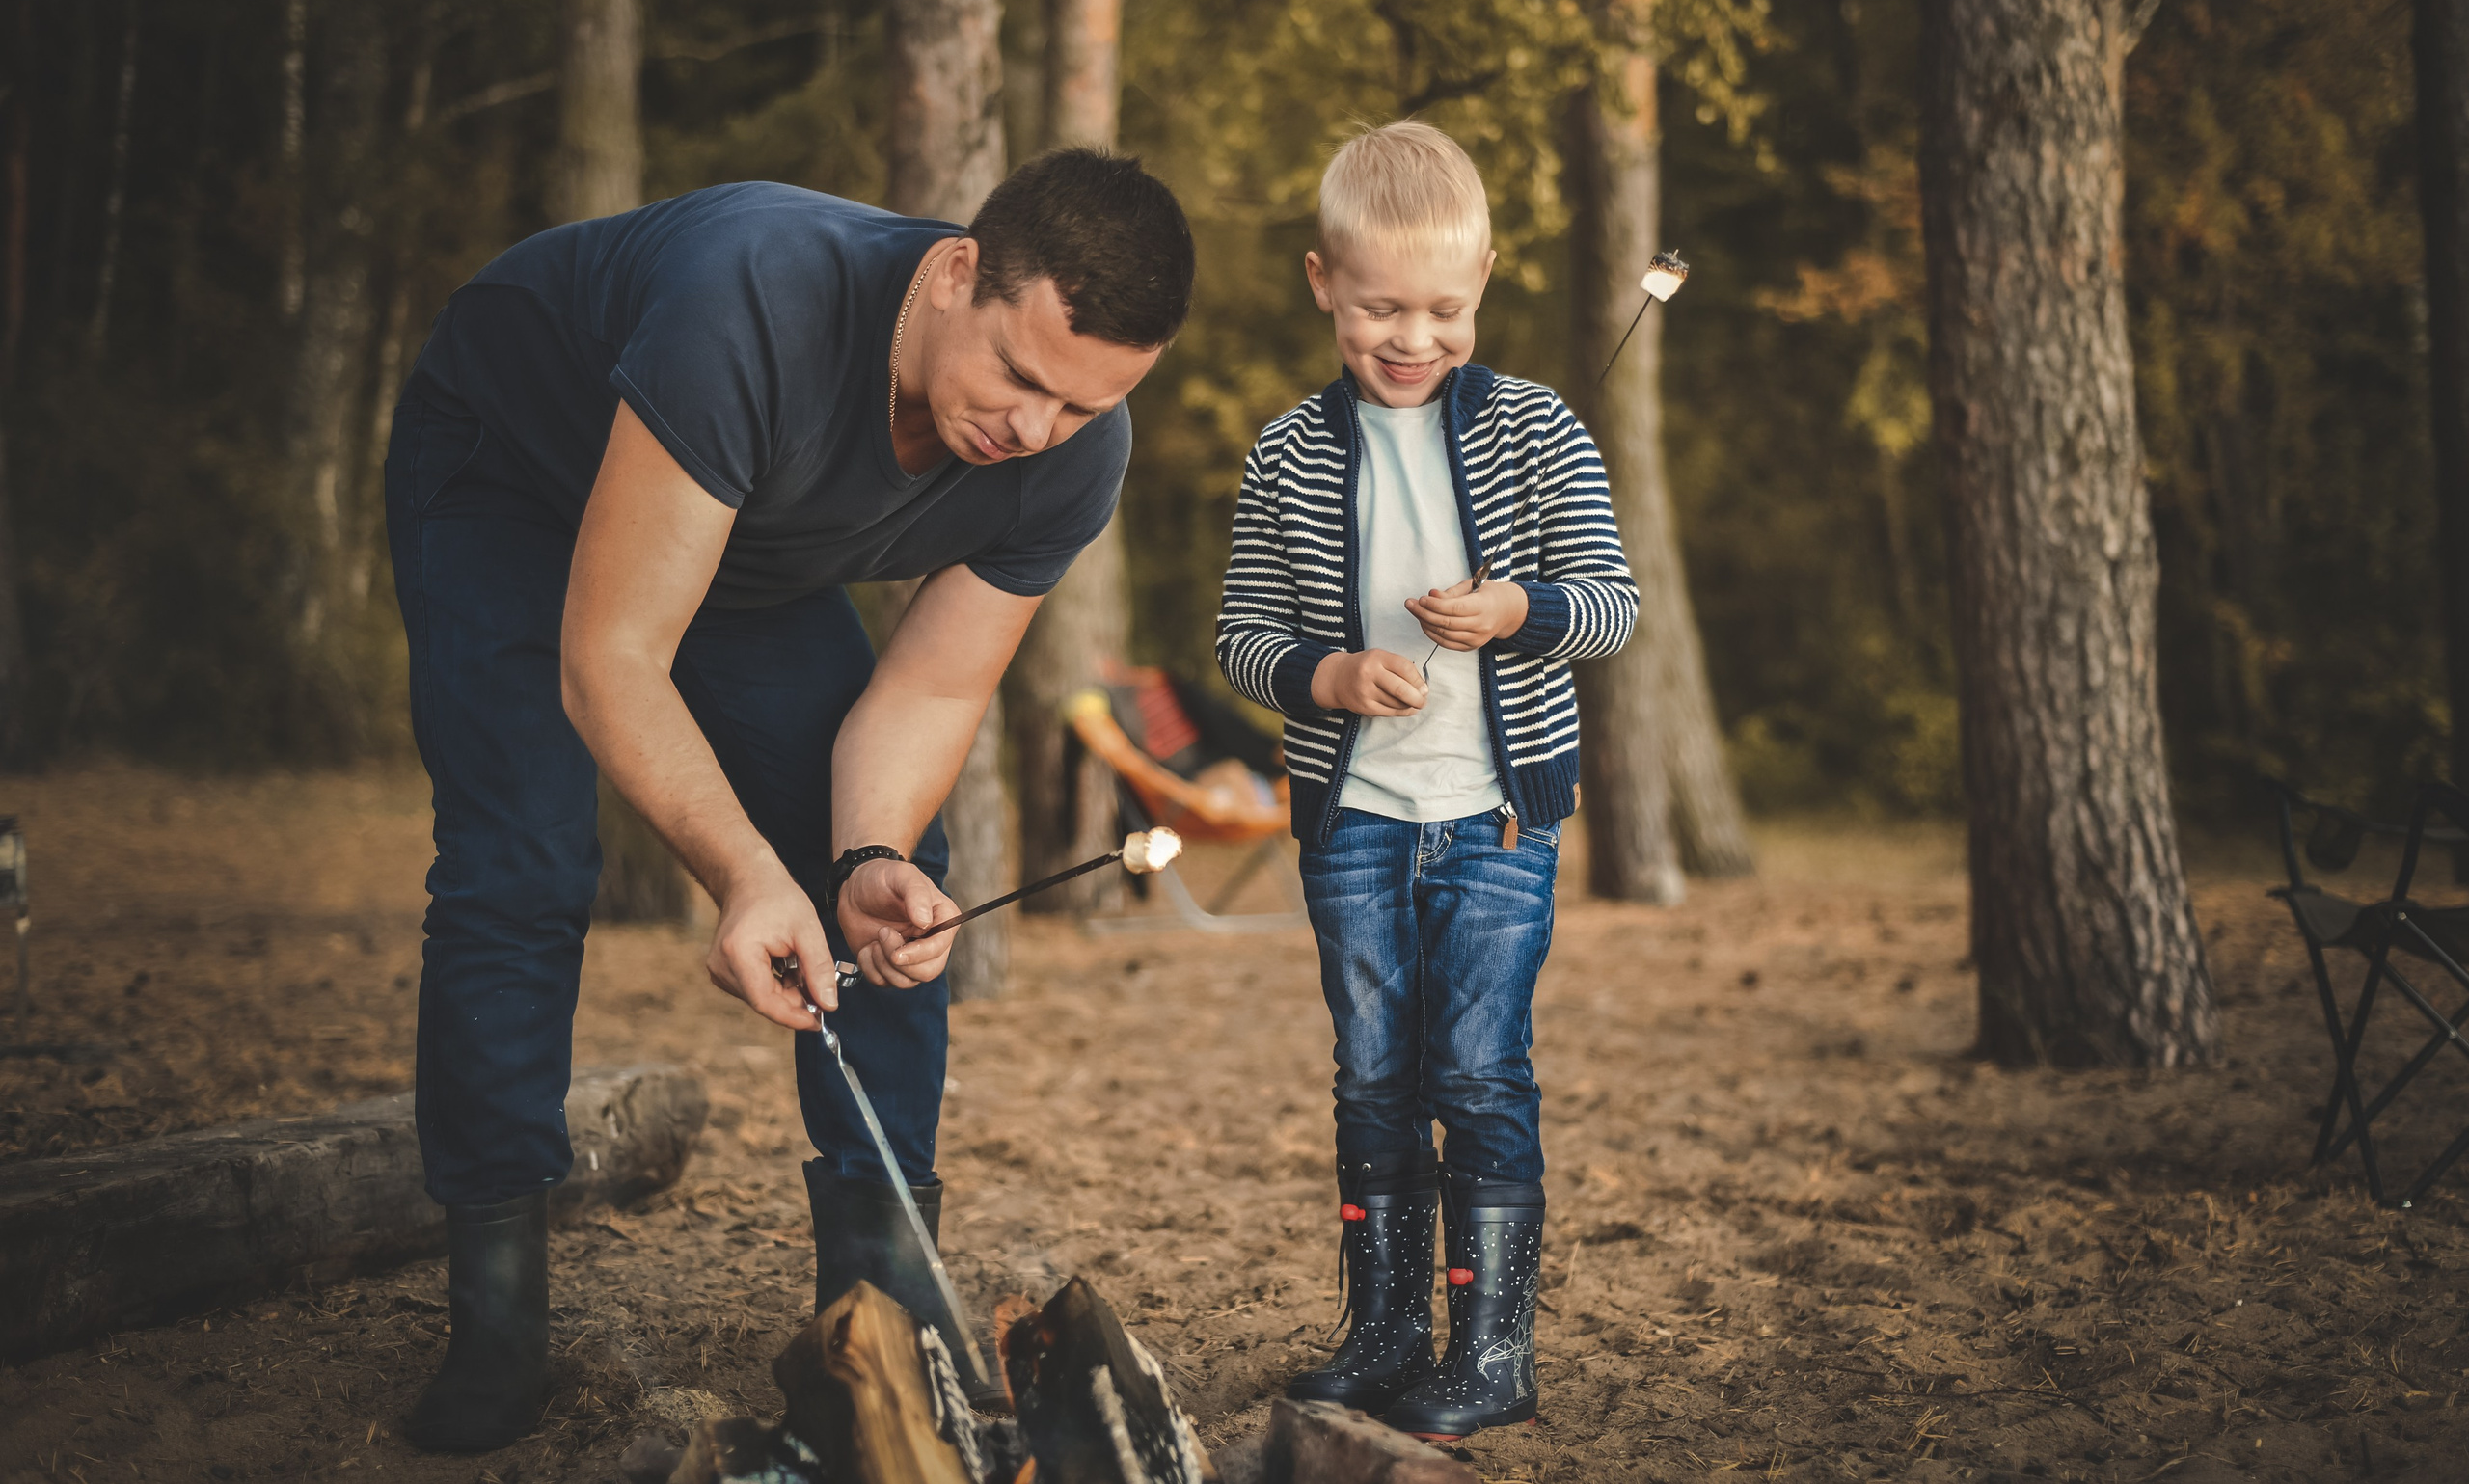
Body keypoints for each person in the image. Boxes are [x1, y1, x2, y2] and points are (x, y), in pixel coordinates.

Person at [385, 150, 1193, 1451]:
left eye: (1083, 406)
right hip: (508, 471)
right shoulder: (751, 301)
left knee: (891, 874)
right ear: (954, 274)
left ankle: (878, 1307)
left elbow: (928, 698)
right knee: (521, 861)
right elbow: (613, 659)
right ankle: (496, 1318)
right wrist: (744, 870)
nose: (1034, 430)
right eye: (1022, 379)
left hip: (740, 536)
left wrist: (857, 851)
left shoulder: (1068, 454)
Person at [1212, 121, 1637, 1439]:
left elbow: (1613, 608)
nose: (1414, 336)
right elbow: (1242, 636)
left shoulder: (1537, 428)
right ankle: (1390, 1332)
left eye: (1445, 307)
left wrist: (1518, 607)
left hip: (1495, 815)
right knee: (1372, 1074)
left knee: (1478, 1069)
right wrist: (1327, 680)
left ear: (1486, 283)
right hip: (1353, 821)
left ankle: (1492, 1350)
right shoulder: (1287, 450)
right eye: (1383, 305)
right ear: (1321, 281)